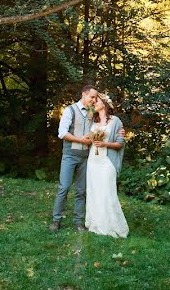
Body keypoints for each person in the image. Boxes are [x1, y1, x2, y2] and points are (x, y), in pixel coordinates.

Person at [50, 85, 125, 231]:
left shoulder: (92, 112)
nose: (94, 100)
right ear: (84, 94)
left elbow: (105, 124)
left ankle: (78, 222)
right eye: (92, 97)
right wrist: (80, 140)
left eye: (96, 98)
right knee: (64, 187)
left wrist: (119, 130)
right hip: (70, 155)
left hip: (87, 159)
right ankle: (56, 220)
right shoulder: (70, 110)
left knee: (81, 191)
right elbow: (62, 133)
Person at [85, 93, 129, 237]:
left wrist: (105, 144)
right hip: (93, 161)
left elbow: (120, 143)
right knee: (94, 191)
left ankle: (112, 225)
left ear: (104, 103)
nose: (94, 103)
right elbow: (86, 134)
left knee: (107, 192)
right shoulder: (92, 121)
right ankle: (95, 223)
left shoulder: (115, 121)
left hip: (107, 162)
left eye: (96, 101)